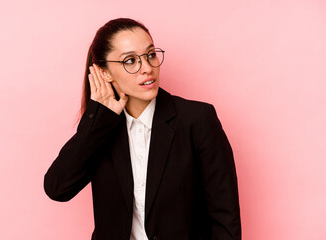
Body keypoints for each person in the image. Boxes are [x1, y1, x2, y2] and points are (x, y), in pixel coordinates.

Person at [44, 18, 241, 240]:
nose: (147, 68)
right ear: (104, 72)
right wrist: (97, 121)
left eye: (150, 55)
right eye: (130, 61)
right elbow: (57, 188)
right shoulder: (100, 131)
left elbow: (225, 217)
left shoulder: (197, 120)